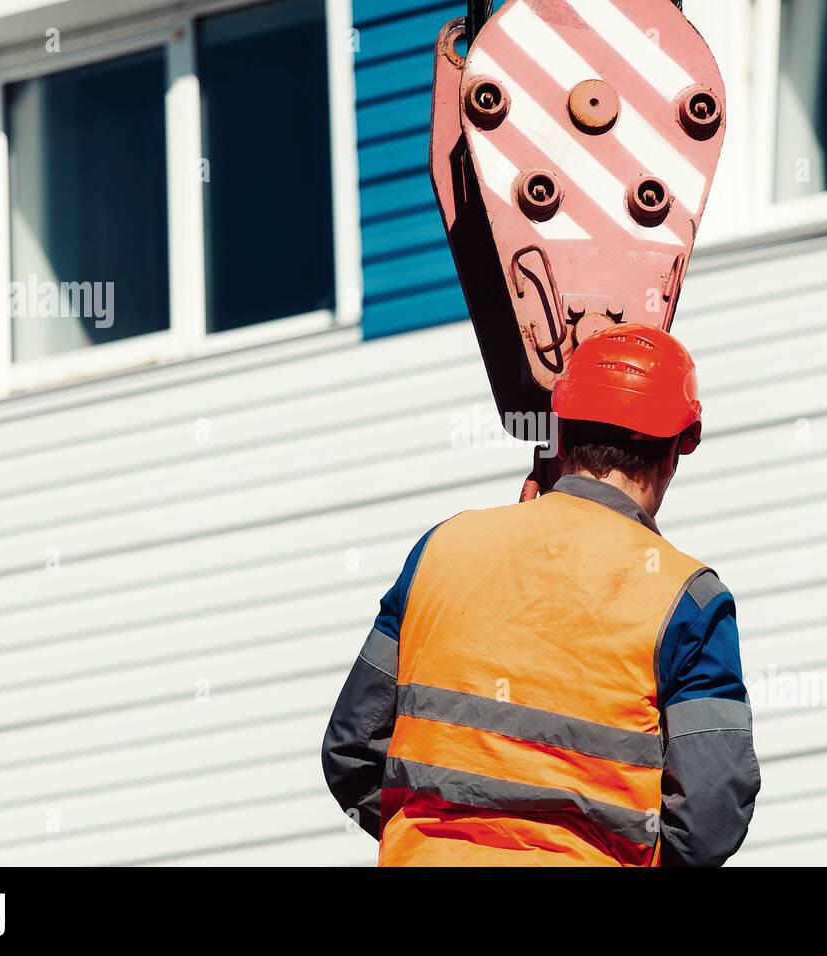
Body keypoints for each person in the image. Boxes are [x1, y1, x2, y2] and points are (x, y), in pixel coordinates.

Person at [321, 325, 759, 865]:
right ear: (677, 448)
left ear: (559, 432)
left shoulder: (443, 548)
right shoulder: (690, 602)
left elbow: (351, 749)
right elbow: (710, 820)